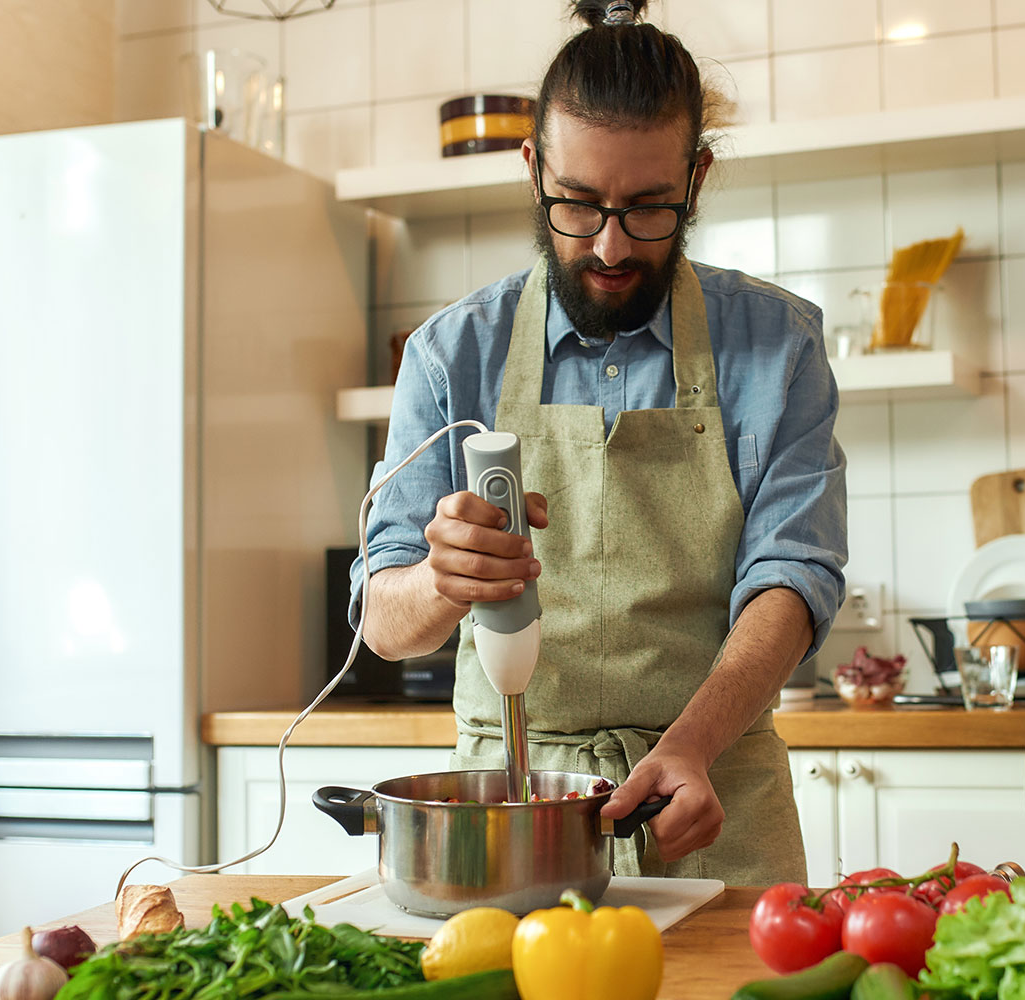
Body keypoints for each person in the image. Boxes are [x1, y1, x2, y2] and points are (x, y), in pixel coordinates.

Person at [351, 0, 846, 885]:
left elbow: (793, 577)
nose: (610, 246)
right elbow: (385, 624)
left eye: (649, 208)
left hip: (712, 800)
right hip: (509, 811)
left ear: (695, 180)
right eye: (577, 205)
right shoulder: (449, 355)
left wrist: (690, 745)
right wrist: (440, 578)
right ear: (533, 167)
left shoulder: (777, 346)